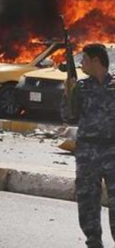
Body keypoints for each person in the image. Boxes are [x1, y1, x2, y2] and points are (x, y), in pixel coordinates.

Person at [63, 43, 115, 248]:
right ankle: (93, 241)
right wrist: (69, 94)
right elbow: (68, 116)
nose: (81, 63)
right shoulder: (81, 88)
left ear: (96, 61)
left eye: (84, 59)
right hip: (87, 152)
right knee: (87, 199)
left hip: (113, 150)